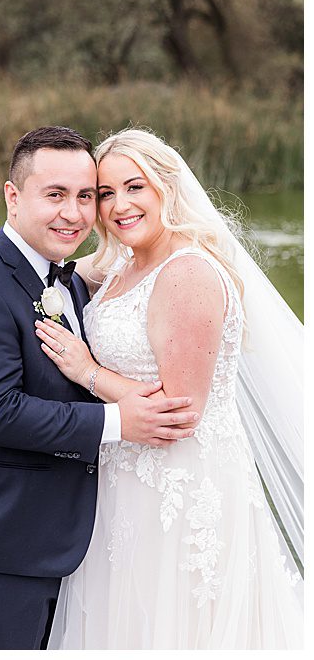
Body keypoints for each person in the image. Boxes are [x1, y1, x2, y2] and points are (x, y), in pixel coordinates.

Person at [0, 126, 198, 650]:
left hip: (72, 536)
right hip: (2, 539)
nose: (73, 213)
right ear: (13, 197)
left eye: (85, 196)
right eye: (55, 195)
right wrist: (120, 422)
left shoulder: (66, 278)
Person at [35, 128, 302, 648]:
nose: (118, 206)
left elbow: (182, 412)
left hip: (180, 488)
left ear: (167, 187)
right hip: (122, 483)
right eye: (105, 193)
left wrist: (86, 370)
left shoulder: (188, 275)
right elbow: (42, 266)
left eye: (134, 188)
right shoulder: (119, 267)